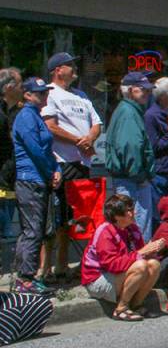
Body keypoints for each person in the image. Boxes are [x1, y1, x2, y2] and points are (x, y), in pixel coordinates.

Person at [41, 52, 102, 281]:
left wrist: (90, 138)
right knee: (56, 216)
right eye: (70, 65)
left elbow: (96, 123)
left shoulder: (82, 95)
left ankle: (65, 264)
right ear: (58, 70)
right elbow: (51, 126)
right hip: (61, 163)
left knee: (76, 218)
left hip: (82, 163)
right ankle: (46, 267)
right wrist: (79, 141)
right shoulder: (49, 93)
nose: (74, 68)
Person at [80, 193, 165, 321]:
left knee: (154, 264)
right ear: (116, 217)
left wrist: (152, 250)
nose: (132, 213)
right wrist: (142, 253)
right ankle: (121, 308)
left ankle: (136, 304)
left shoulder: (133, 229)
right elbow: (112, 265)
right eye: (127, 211)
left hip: (119, 274)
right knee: (140, 266)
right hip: (98, 279)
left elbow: (139, 255)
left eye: (131, 209)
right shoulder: (105, 232)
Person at [12, 78, 60, 295]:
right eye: (39, 93)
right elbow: (35, 150)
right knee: (33, 230)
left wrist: (57, 168)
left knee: (36, 228)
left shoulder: (36, 117)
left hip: (39, 179)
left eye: (45, 92)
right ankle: (26, 279)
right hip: (30, 179)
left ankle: (25, 276)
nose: (44, 96)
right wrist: (51, 172)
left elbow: (47, 150)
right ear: (27, 95)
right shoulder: (25, 117)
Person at [106, 72, 158, 240]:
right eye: (143, 89)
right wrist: (140, 175)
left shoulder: (129, 110)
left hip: (130, 179)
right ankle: (138, 265)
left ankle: (135, 263)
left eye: (149, 90)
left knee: (131, 229)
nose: (147, 93)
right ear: (129, 90)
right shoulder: (129, 112)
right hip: (132, 181)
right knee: (137, 231)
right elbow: (131, 147)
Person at [0, 68, 24, 238]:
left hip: (9, 182)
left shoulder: (11, 111)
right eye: (20, 83)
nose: (23, 88)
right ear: (8, 87)